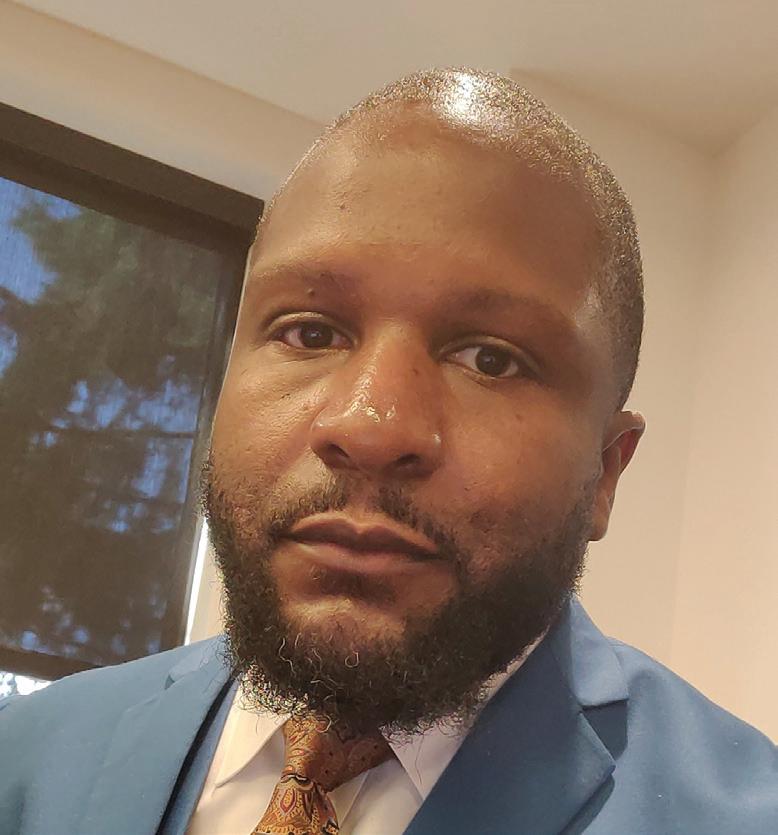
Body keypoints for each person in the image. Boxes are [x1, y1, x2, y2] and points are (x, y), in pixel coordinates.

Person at [1, 68, 776, 835]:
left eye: (491, 359)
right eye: (310, 331)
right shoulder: (26, 755)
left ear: (605, 471)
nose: (369, 427)